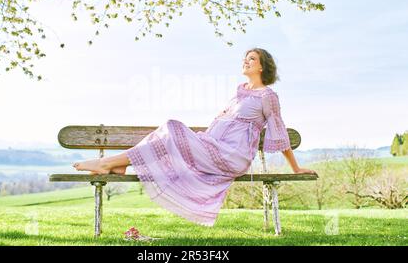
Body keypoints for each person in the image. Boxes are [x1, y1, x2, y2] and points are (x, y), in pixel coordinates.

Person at [73, 48, 316, 226]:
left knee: (172, 127)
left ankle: (110, 163)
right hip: (213, 148)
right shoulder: (239, 94)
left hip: (232, 156)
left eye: (252, 58)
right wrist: (202, 141)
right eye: (245, 57)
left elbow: (279, 132)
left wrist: (295, 168)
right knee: (169, 131)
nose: (246, 61)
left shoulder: (267, 96)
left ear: (262, 66)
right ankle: (114, 165)